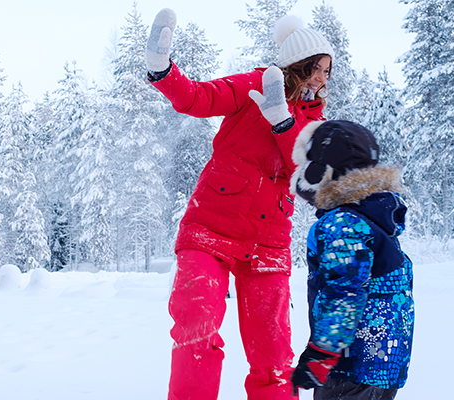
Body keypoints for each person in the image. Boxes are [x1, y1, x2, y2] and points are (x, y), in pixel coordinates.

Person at [145, 8, 334, 400]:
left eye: (327, 71)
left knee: (275, 359)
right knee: (195, 325)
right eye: (316, 67)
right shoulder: (255, 85)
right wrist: (163, 70)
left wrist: (283, 122)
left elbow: (307, 171)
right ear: (297, 64)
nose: (321, 78)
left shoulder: (315, 122)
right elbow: (199, 97)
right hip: (209, 230)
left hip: (267, 245)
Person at [288, 120, 414, 400]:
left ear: (321, 171)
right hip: (384, 363)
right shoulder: (375, 216)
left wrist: (321, 354)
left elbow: (345, 291)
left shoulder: (342, 224)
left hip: (351, 366)